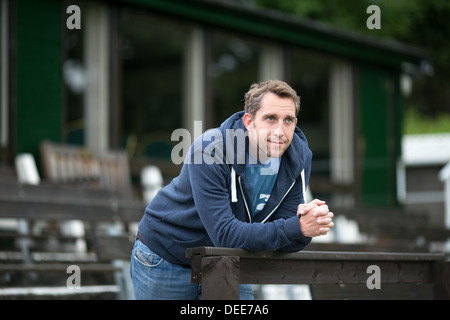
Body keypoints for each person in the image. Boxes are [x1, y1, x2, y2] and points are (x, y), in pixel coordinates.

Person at [130, 80, 334, 300]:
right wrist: (297, 227)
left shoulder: (297, 157)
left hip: (229, 260)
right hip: (167, 256)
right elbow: (226, 234)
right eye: (270, 118)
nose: (280, 131)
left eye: (288, 120)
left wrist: (307, 226)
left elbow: (285, 233)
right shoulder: (210, 150)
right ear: (249, 121)